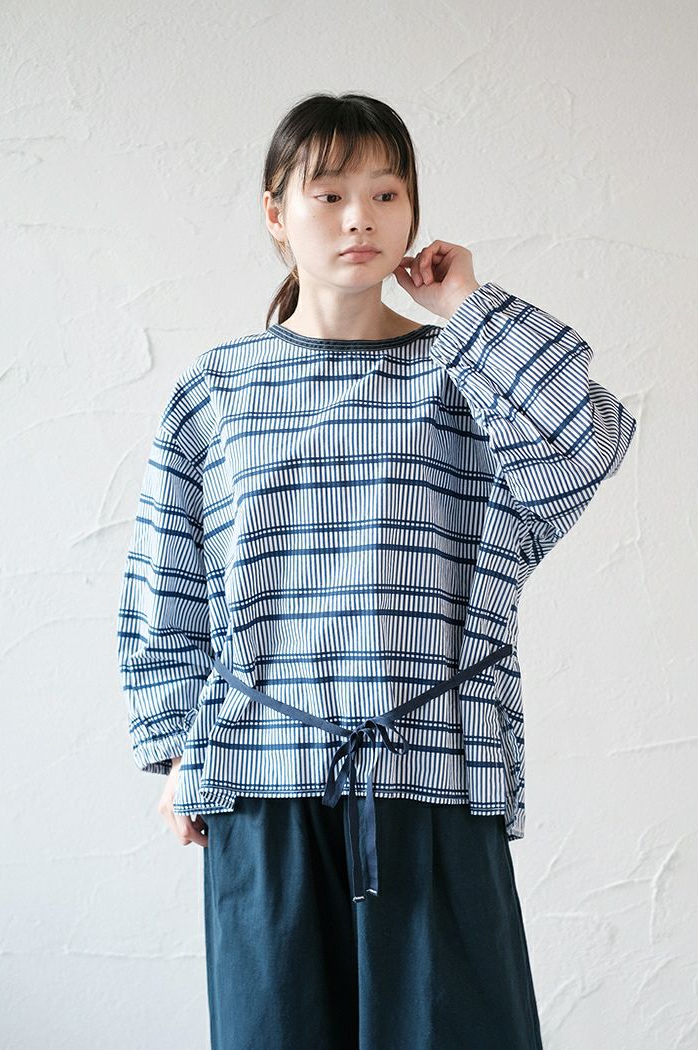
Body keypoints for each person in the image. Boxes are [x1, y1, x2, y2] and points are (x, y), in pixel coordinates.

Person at [116, 92, 637, 1050]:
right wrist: (179, 745)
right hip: (261, 777)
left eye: (386, 193)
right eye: (328, 194)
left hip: (434, 771)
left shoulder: (463, 372)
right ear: (276, 214)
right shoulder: (217, 389)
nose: (360, 217)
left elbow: (585, 444)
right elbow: (166, 581)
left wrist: (469, 310)